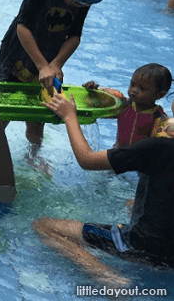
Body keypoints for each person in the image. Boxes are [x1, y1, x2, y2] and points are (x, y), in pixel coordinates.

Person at [34, 93, 174, 286]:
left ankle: (109, 279)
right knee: (131, 204)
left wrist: (69, 116)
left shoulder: (158, 147)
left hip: (147, 247)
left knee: (45, 226)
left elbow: (87, 159)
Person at [0, 0, 113, 155]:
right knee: (5, 108)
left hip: (51, 57)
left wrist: (57, 63)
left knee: (41, 112)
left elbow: (75, 36)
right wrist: (42, 66)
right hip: (18, 54)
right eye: (77, 1)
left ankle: (33, 155)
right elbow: (22, 27)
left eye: (85, 3)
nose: (79, 6)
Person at [83, 63, 171, 148]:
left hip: (140, 160)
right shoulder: (124, 105)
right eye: (132, 84)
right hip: (117, 154)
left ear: (160, 95)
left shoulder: (158, 118)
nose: (134, 90)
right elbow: (103, 99)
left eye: (142, 88)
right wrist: (92, 90)